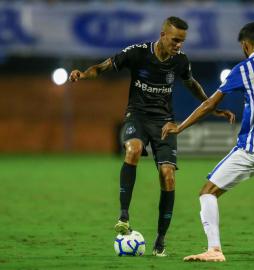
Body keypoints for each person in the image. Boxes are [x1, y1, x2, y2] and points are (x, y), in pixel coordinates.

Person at [69, 16, 235, 257]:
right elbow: (102, 67)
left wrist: (212, 107)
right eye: (175, 40)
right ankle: (124, 216)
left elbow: (191, 83)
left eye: (182, 41)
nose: (179, 45)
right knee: (133, 150)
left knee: (167, 176)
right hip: (136, 117)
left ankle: (161, 239)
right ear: (163, 35)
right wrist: (84, 74)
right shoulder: (138, 53)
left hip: (164, 123)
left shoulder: (180, 61)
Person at [162, 22, 254, 262]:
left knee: (208, 192)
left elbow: (210, 104)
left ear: (246, 46)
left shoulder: (245, 68)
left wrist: (180, 126)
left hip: (253, 147)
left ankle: (214, 249)